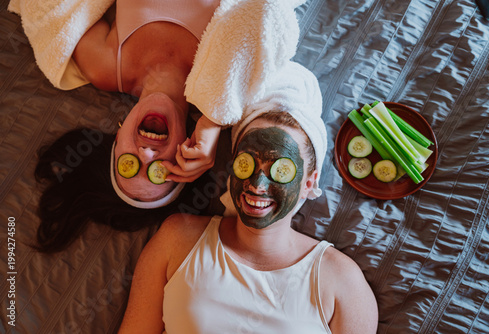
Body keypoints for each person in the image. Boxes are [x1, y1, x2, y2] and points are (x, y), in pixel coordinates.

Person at [12, 0, 305, 252]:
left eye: (128, 163)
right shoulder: (227, 93)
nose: (147, 154)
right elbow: (268, 14)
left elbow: (50, 9)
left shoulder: (104, 66)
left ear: (117, 137)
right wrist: (213, 117)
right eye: (160, 172)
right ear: (186, 153)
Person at [117, 111, 379, 333]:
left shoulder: (343, 281)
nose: (257, 185)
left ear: (309, 183)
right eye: (247, 164)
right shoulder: (178, 238)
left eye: (280, 170)